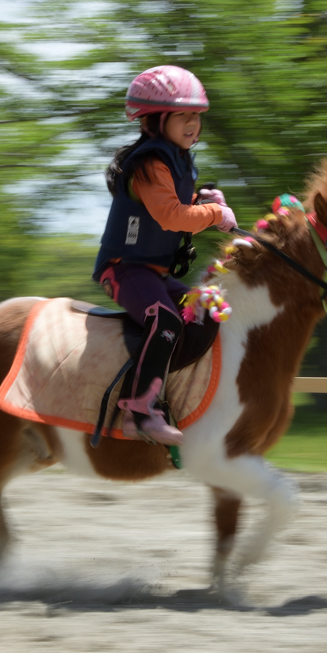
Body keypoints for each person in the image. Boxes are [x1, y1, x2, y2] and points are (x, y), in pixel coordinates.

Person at [93, 65, 237, 446]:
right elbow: (171, 216)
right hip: (125, 269)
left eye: (196, 116)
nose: (193, 124)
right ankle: (138, 413)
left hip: (151, 272)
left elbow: (179, 206)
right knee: (166, 321)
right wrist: (216, 214)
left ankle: (174, 393)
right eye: (183, 116)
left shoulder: (174, 158)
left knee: (203, 310)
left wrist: (203, 201)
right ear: (155, 121)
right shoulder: (150, 164)